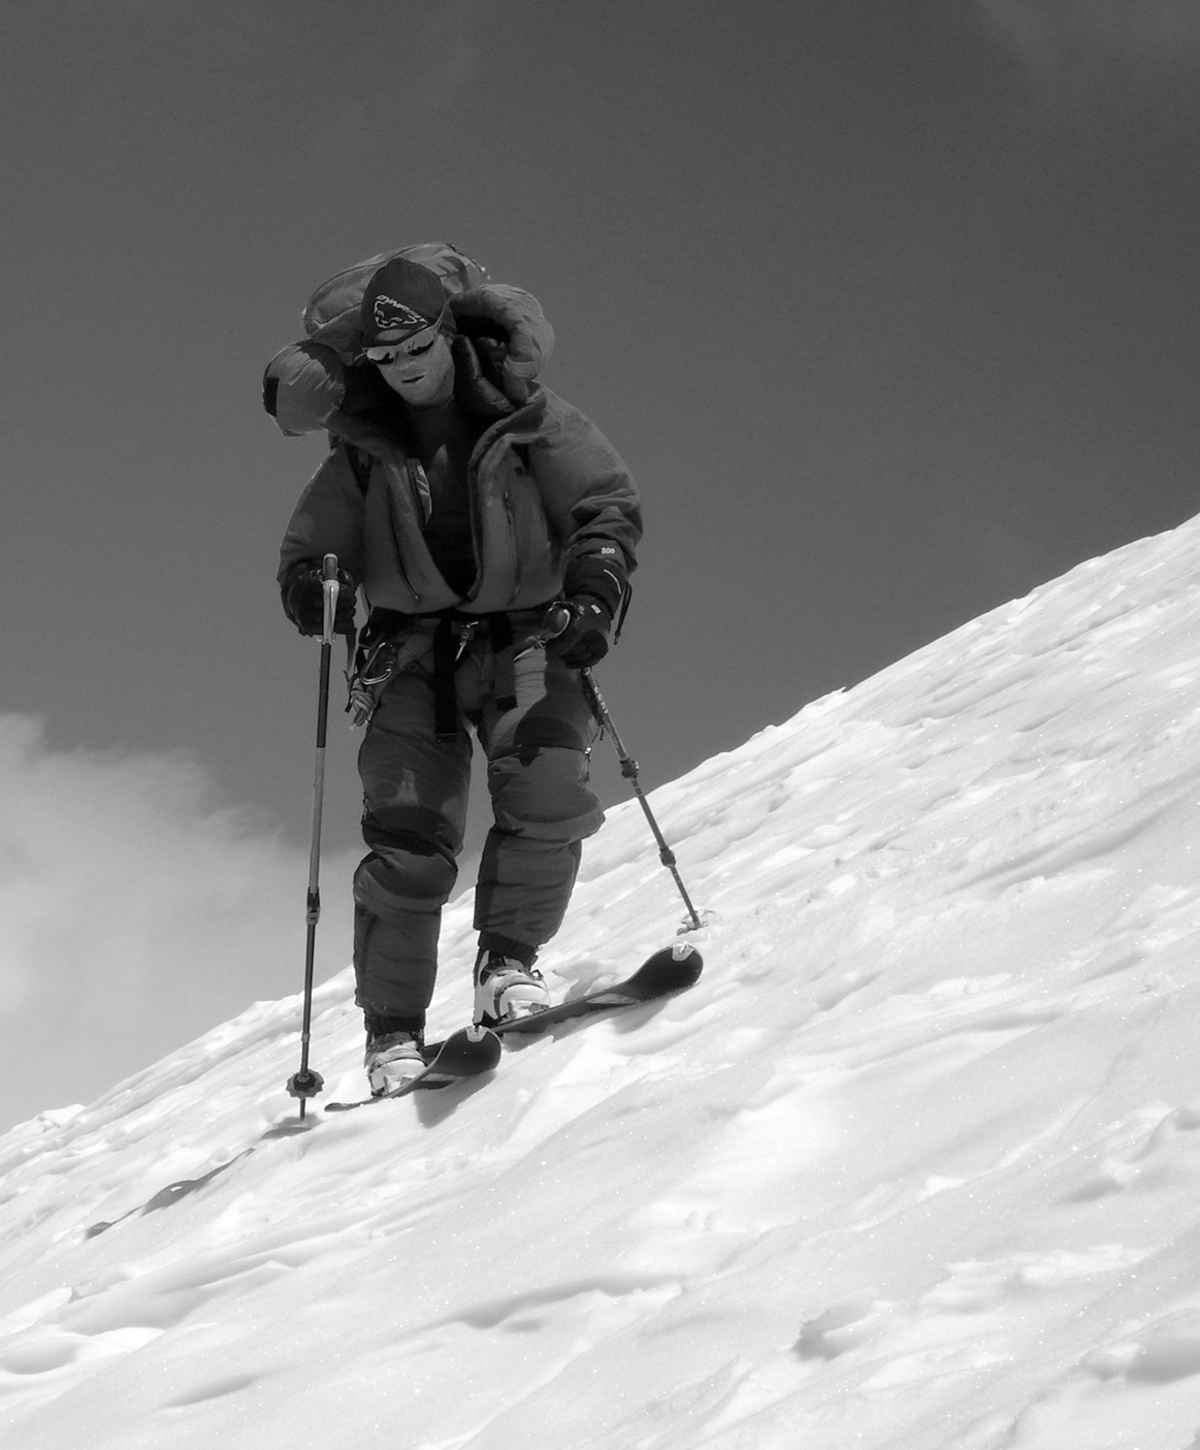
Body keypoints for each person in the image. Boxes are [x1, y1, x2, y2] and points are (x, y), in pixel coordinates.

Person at [277, 256, 641, 1096]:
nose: (404, 368)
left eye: (417, 347)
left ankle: (507, 968)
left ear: (448, 333)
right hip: (412, 654)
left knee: (548, 786)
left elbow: (604, 506)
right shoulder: (361, 452)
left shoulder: (533, 419)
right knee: (408, 839)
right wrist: (314, 591)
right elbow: (312, 546)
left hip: (530, 635)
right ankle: (393, 1036)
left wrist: (598, 586)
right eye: (385, 359)